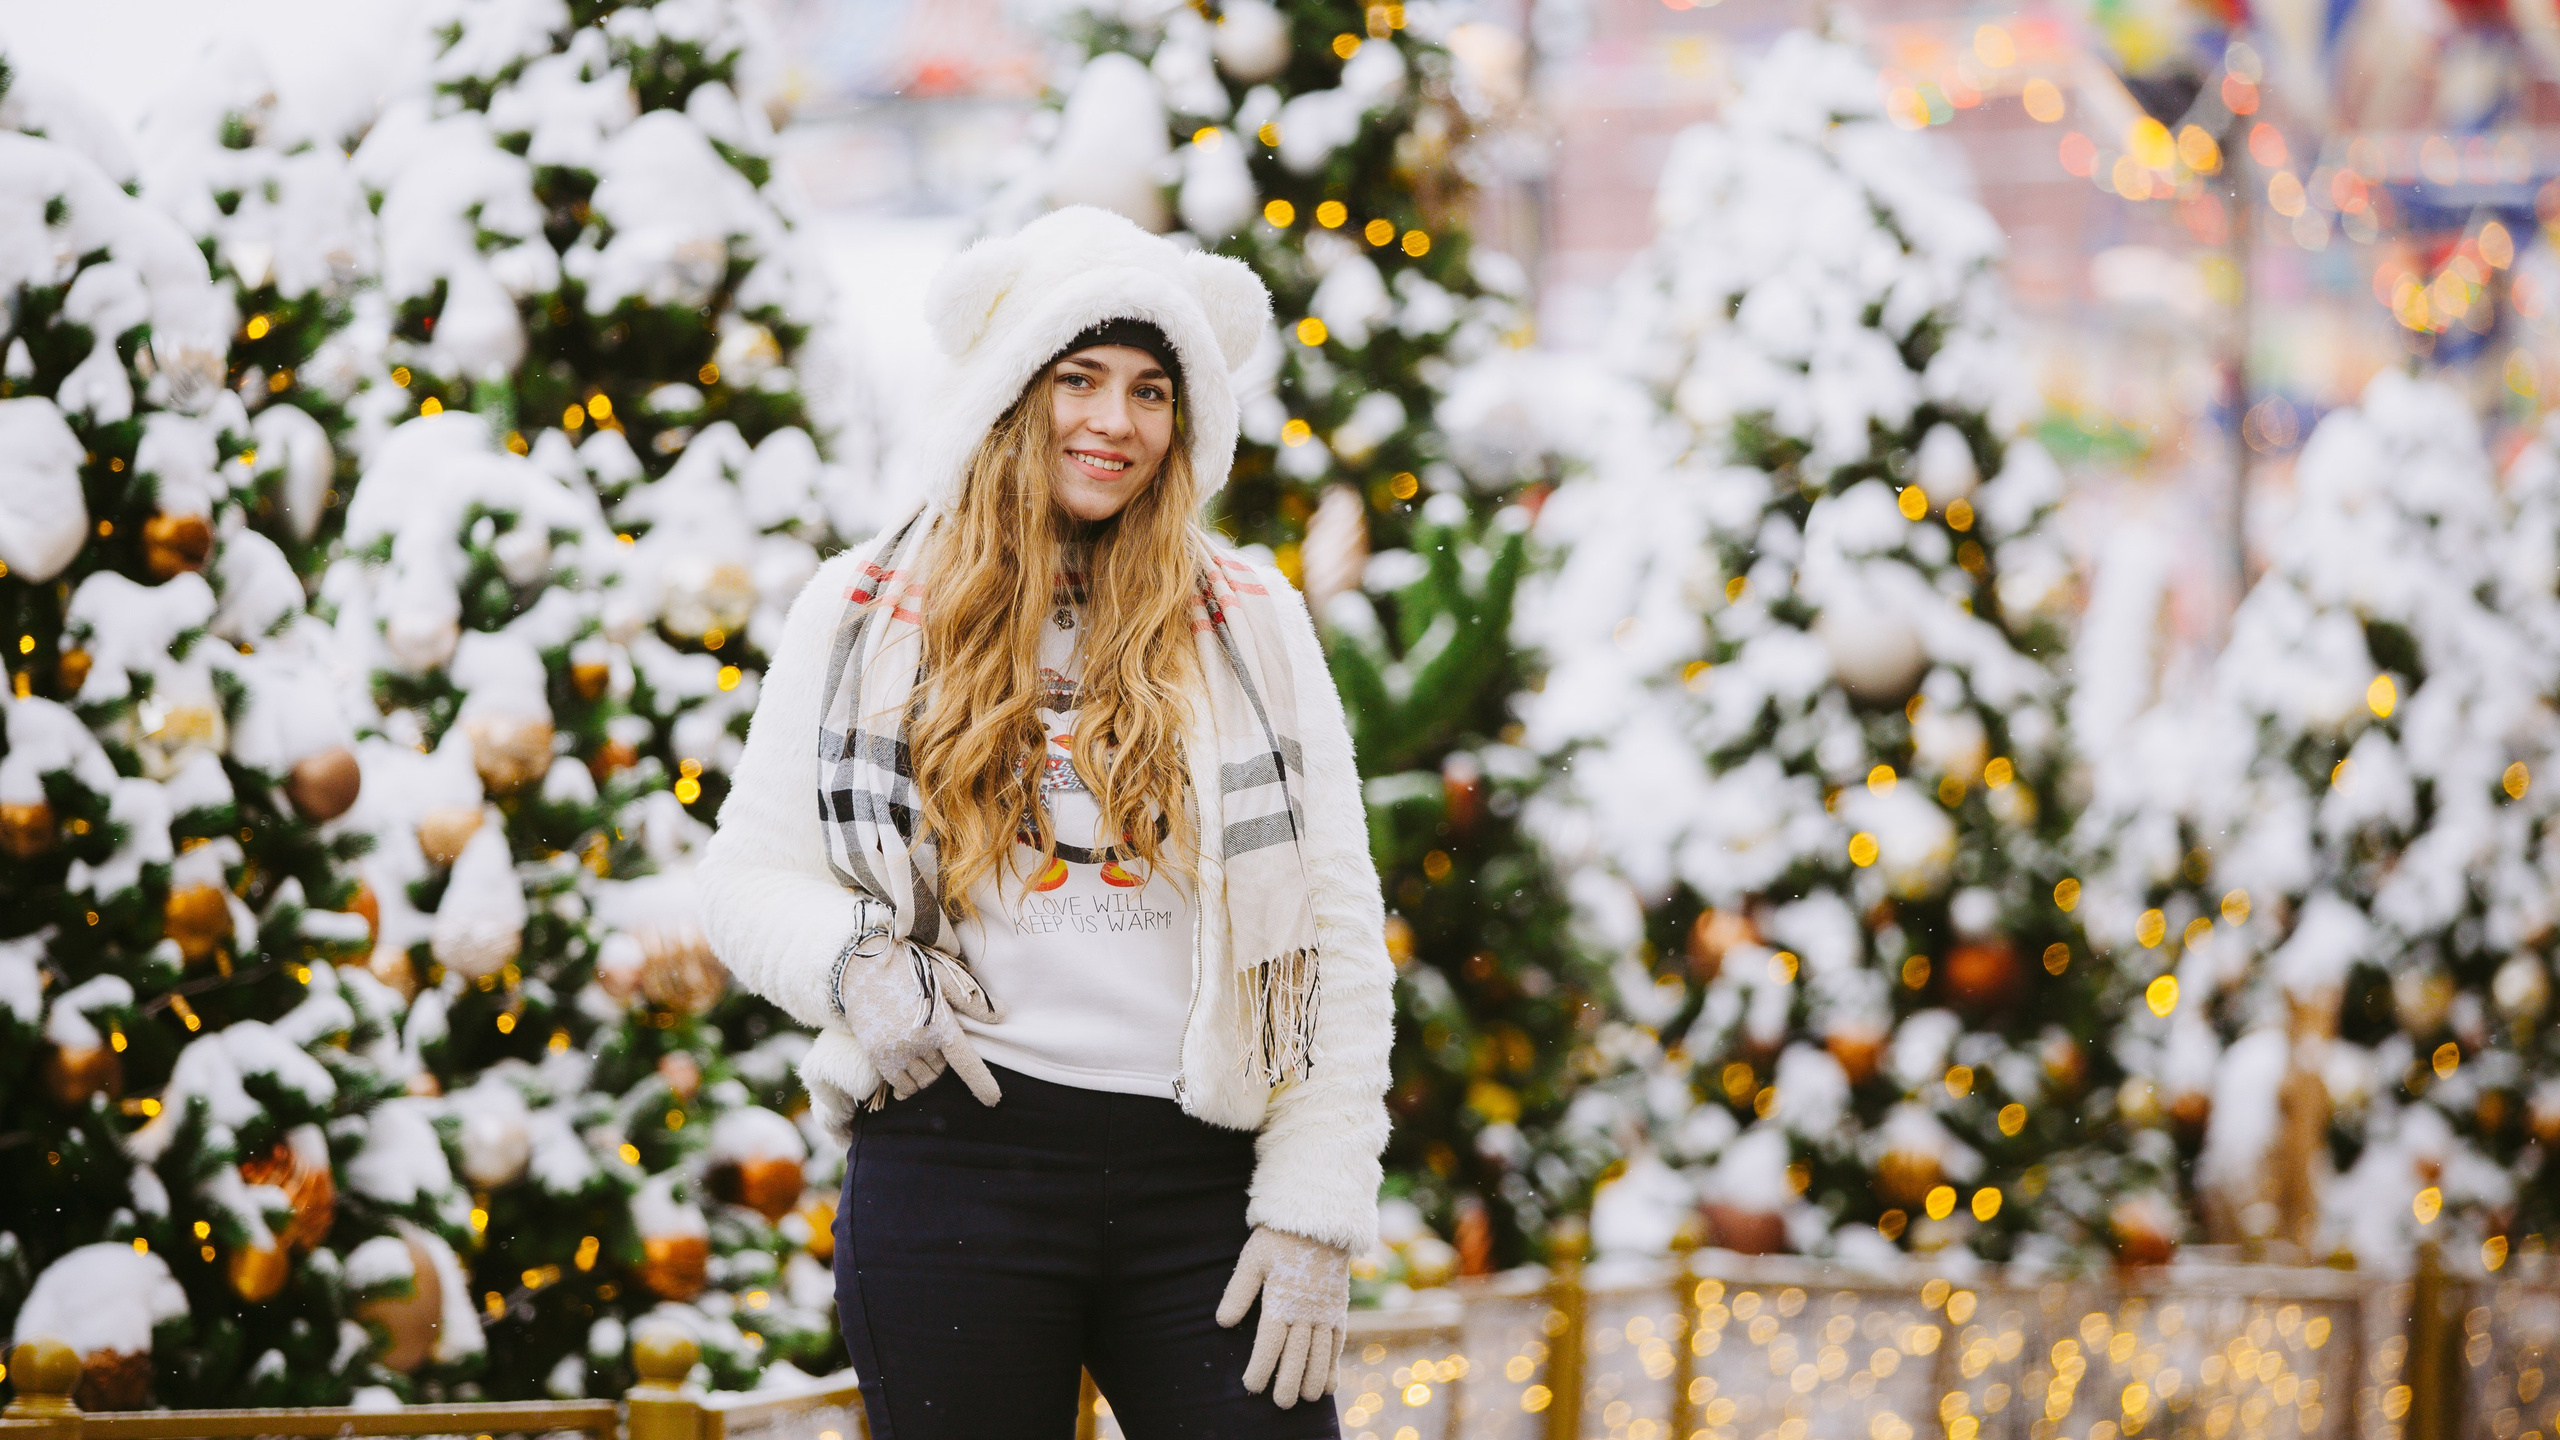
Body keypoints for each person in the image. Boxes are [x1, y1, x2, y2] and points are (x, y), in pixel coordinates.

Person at [700, 206, 1393, 1440]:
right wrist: (857, 967)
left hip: (1199, 1183)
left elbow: (1335, 924)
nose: (1114, 421)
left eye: (1149, 391)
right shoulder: (862, 610)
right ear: (1012, 390)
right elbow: (748, 879)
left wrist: (1315, 1203)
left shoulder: (1250, 619)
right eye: (1078, 378)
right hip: (956, 1169)